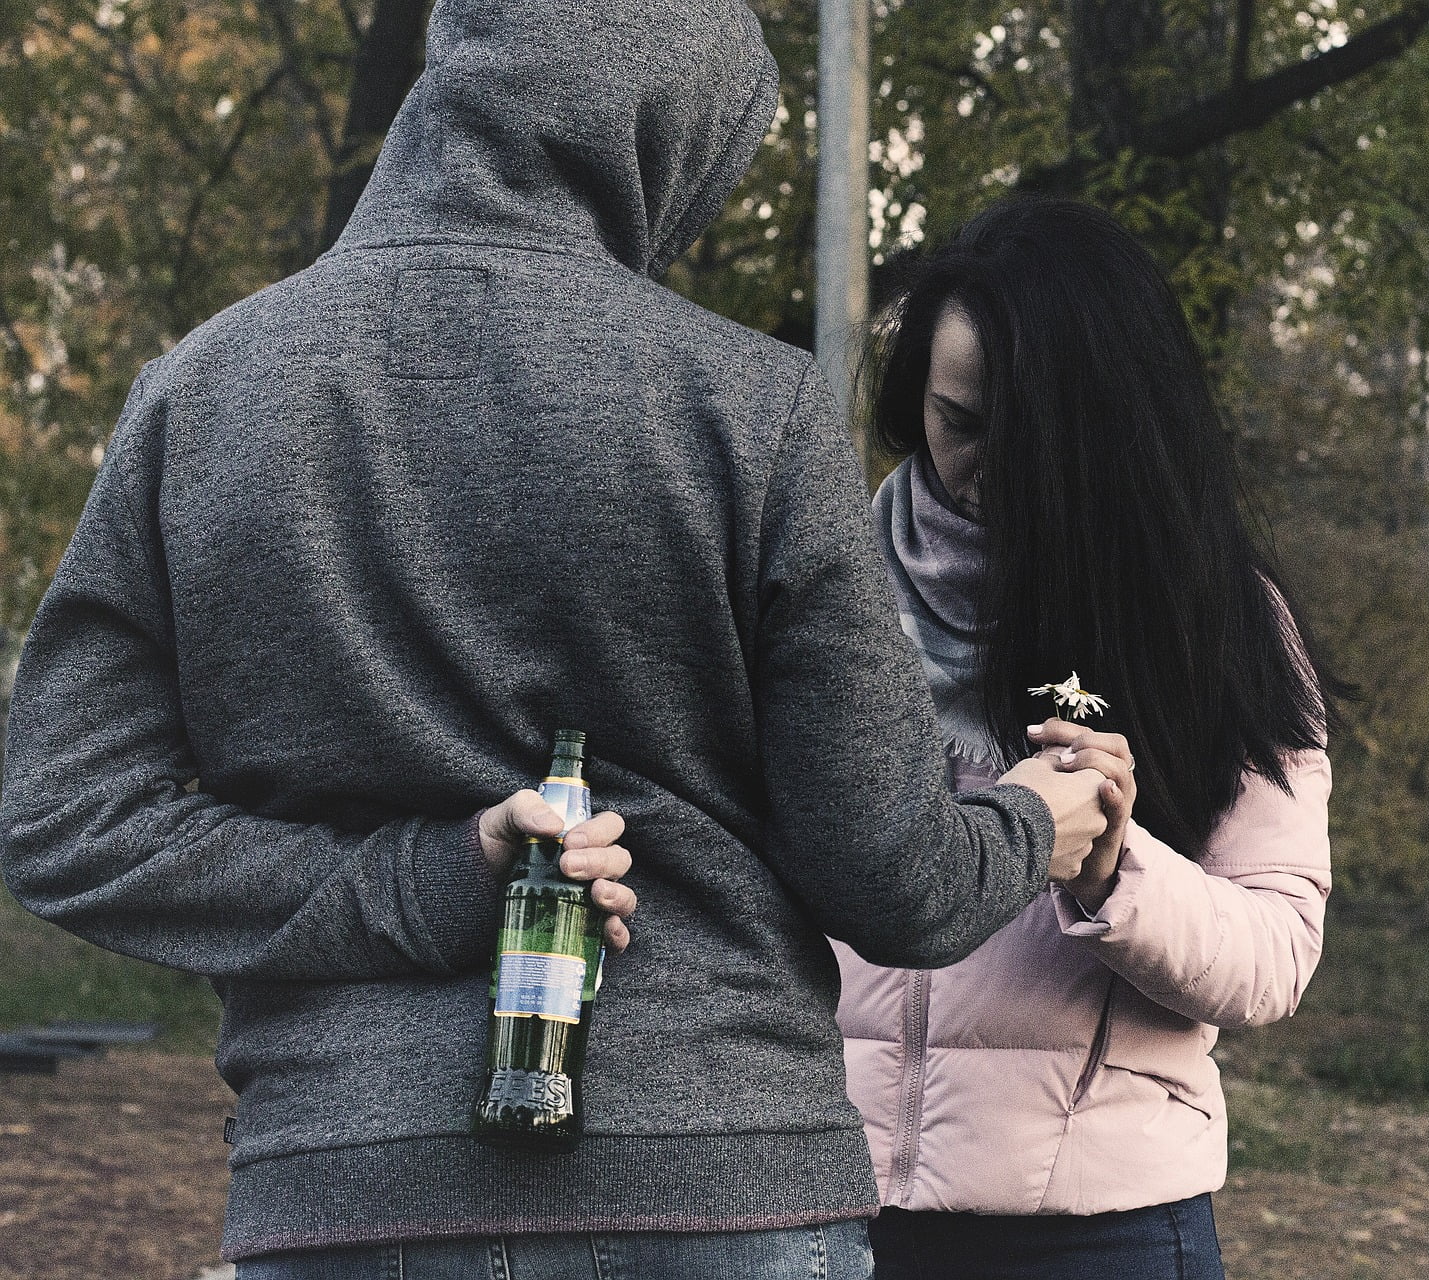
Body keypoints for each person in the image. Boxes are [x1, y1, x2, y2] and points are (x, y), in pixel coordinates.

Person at [0, 4, 1119, 1276]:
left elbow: (64, 822)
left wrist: (422, 878)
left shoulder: (195, 398)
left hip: (346, 1183)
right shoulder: (749, 409)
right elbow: (895, 879)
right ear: (657, 137)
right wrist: (1037, 816)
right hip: (718, 1176)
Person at [833, 198, 1338, 1280]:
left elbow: (1277, 952)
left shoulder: (1216, 620)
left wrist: (1118, 872)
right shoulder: (823, 597)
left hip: (1102, 1232)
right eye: (958, 422)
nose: (989, 469)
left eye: (1030, 438)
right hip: (827, 1211)